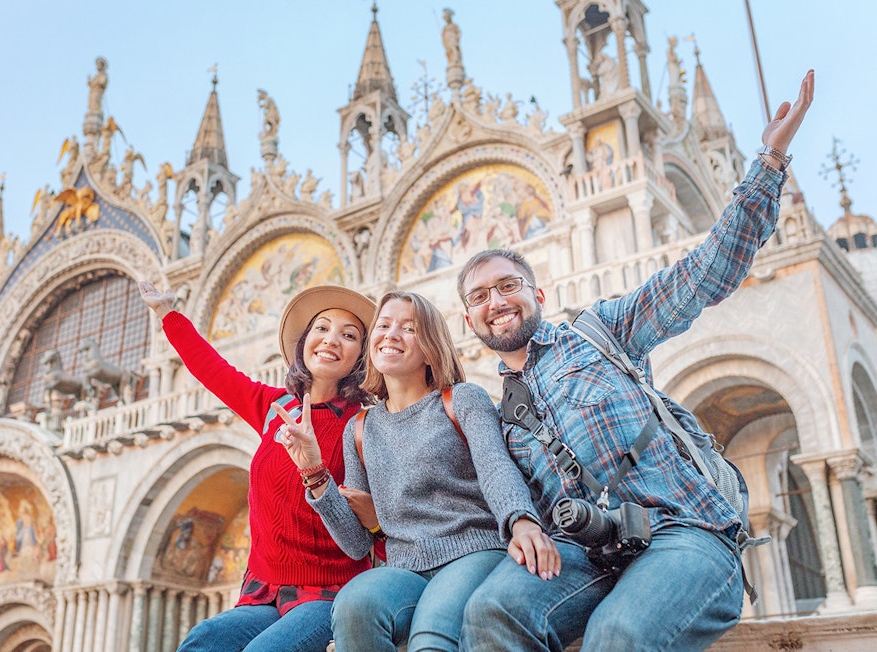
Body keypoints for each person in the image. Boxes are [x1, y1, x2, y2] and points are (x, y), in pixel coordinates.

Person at [457, 70, 814, 651]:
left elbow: (703, 274)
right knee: (490, 612)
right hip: (590, 553)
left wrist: (769, 160)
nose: (496, 302)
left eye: (508, 286)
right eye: (479, 297)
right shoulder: (502, 417)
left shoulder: (602, 331)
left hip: (685, 533)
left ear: (537, 294)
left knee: (618, 633)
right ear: (469, 322)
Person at [274, 291, 560, 651]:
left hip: (474, 553)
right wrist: (314, 473)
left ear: (429, 348)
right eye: (383, 325)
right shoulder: (361, 428)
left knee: (431, 635)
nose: (391, 334)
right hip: (404, 570)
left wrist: (520, 520)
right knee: (354, 605)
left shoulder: (461, 399)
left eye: (408, 328)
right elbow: (356, 543)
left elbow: (496, 469)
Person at [138, 281, 377, 652]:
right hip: (265, 591)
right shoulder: (274, 408)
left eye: (349, 335)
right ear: (304, 343)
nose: (331, 340)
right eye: (322, 328)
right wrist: (169, 314)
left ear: (360, 356)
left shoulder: (365, 427)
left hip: (329, 595)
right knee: (202, 642)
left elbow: (363, 538)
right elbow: (213, 371)